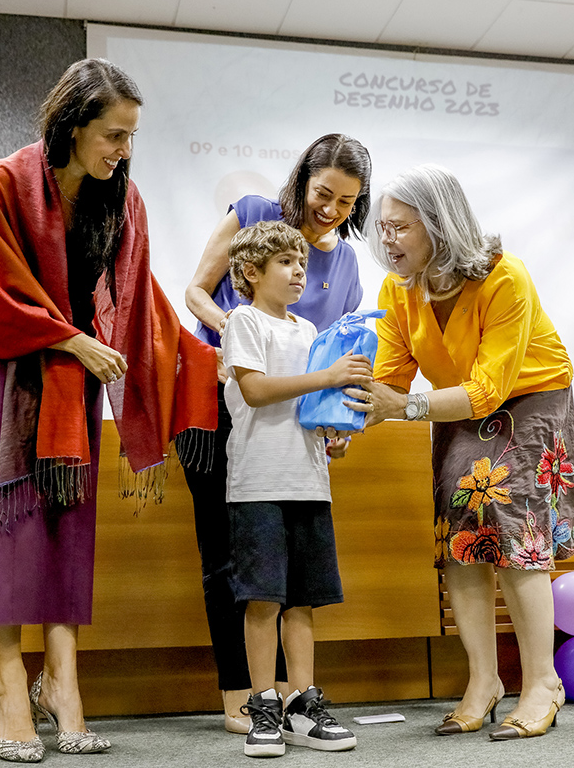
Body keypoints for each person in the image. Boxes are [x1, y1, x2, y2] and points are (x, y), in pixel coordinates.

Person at [0, 58, 216, 763]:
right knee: (2, 520)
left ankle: (62, 683)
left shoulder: (123, 199)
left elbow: (138, 302)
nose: (124, 151)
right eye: (113, 135)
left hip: (75, 370)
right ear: (71, 126)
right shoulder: (1, 182)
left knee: (67, 523)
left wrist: (199, 359)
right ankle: (9, 683)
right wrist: (73, 338)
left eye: (131, 137)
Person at [349, 164, 574, 741]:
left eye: (400, 228)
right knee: (462, 538)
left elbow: (488, 389)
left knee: (515, 533)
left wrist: (403, 407)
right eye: (382, 228)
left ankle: (542, 681)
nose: (387, 240)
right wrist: (346, 422)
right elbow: (390, 375)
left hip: (529, 397)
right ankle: (483, 681)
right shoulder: (397, 289)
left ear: (439, 224)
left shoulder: (504, 277)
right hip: (452, 403)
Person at [183, 133, 371, 733]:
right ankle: (243, 697)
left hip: (296, 432)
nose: (331, 209)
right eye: (323, 193)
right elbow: (194, 292)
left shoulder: (344, 264)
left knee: (295, 581)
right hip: (222, 402)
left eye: (346, 202)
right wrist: (242, 333)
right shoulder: (256, 215)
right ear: (302, 180)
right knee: (229, 558)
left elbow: (332, 359)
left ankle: (294, 699)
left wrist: (338, 420)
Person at [220, 220, 370, 758]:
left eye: (302, 263)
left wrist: (335, 433)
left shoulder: (309, 333)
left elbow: (309, 409)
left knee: (302, 600)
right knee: (262, 597)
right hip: (258, 482)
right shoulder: (243, 321)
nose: (298, 272)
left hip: (308, 481)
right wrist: (328, 377)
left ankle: (301, 703)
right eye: (284, 263)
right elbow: (256, 390)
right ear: (251, 272)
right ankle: (262, 705)